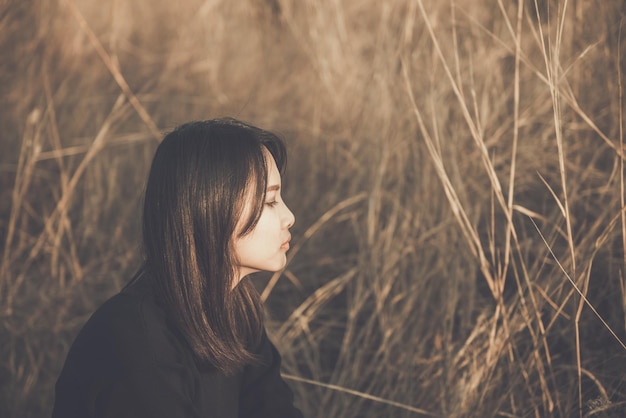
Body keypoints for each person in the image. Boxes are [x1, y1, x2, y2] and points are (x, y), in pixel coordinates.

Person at [52, 118, 303, 418]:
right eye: (271, 200)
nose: (289, 217)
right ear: (211, 207)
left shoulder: (237, 314)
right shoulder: (135, 339)